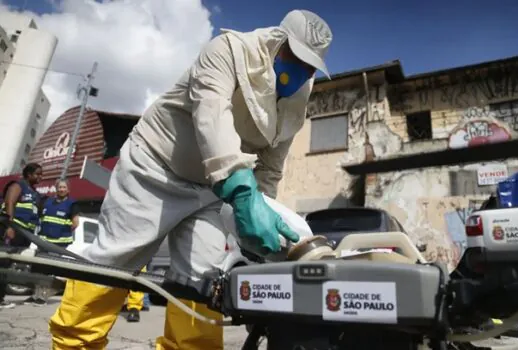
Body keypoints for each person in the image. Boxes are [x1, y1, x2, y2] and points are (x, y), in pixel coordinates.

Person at [49, 9, 332, 350]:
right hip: (155, 169)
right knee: (115, 263)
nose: (301, 71)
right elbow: (211, 118)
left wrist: (258, 209)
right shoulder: (229, 50)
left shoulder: (298, 99)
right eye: (296, 58)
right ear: (278, 42)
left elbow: (270, 164)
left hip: (212, 191)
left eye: (310, 65)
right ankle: (74, 343)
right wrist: (243, 194)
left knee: (203, 281)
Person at [25, 179, 79, 306]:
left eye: (64, 187)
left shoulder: (72, 204)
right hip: (43, 241)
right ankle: (35, 295)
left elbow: (75, 223)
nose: (61, 189)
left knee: (49, 269)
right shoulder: (48, 202)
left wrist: (62, 232)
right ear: (56, 188)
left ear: (68, 190)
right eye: (59, 187)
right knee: (38, 268)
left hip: (58, 243)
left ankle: (43, 297)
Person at [0, 163, 43, 309]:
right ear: (29, 174)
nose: (40, 177)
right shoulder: (18, 186)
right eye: (37, 174)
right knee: (4, 263)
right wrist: (9, 226)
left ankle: (1, 297)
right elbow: (9, 202)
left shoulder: (35, 193)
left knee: (11, 264)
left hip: (26, 234)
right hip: (15, 230)